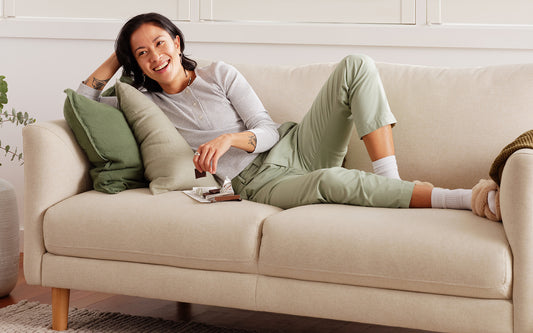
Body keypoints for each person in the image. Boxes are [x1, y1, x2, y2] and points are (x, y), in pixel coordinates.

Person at [77, 12, 500, 219]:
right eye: (141, 52)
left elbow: (264, 127)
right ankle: (464, 199)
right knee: (332, 181)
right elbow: (83, 101)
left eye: (159, 42)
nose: (155, 56)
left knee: (356, 64)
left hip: (293, 143)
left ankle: (389, 184)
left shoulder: (218, 73)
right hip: (260, 182)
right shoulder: (145, 103)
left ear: (177, 40)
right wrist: (116, 58)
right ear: (134, 62)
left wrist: (228, 140)